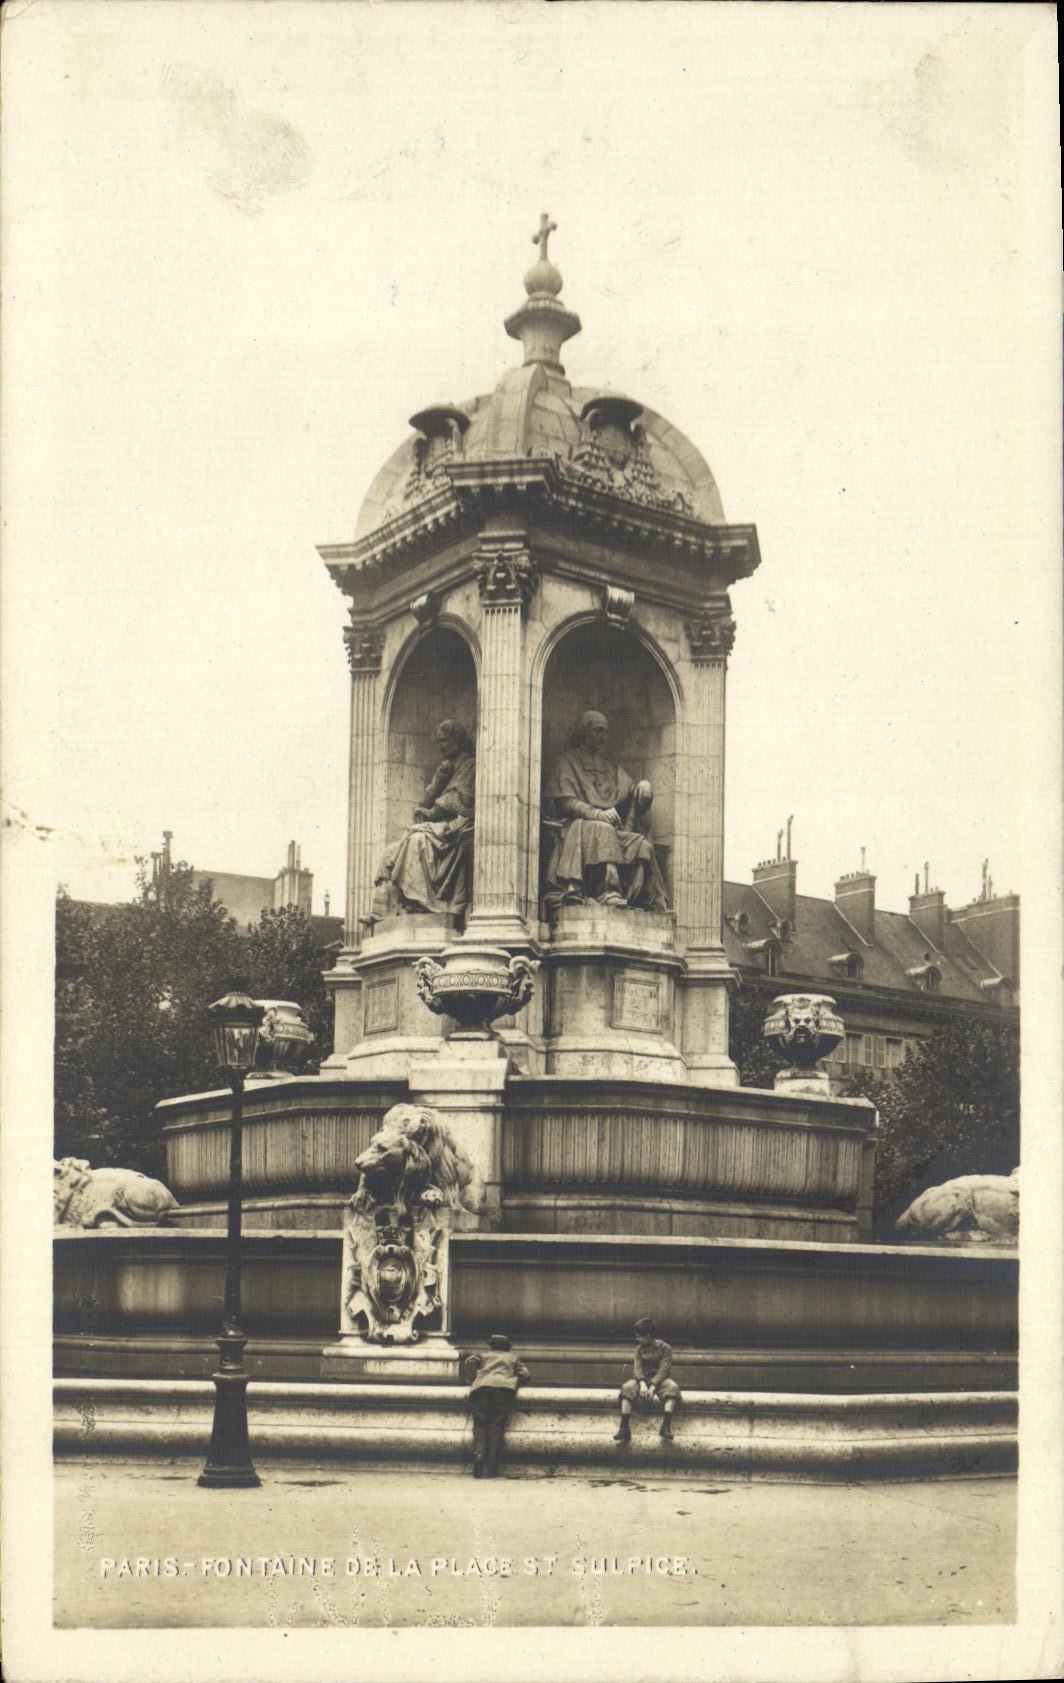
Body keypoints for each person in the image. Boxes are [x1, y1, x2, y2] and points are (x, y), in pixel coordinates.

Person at [544, 710, 667, 910]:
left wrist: (644, 787)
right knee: (604, 829)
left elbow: (632, 790)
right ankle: (608, 891)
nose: (604, 737)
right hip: (577, 829)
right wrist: (597, 814)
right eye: (599, 731)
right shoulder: (566, 763)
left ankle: (650, 903)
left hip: (608, 829)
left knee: (643, 845)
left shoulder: (610, 768)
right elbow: (564, 803)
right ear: (584, 733)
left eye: (606, 732)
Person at [370, 721, 475, 920]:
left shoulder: (469, 765)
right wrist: (438, 782)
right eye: (439, 742)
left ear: (457, 740)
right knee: (391, 851)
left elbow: (457, 801)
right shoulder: (445, 768)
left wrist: (431, 811)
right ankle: (382, 907)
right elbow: (424, 802)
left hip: (456, 826)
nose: (441, 746)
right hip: (438, 827)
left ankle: (420, 902)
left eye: (445, 741)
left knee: (416, 840)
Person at [464, 1332, 529, 1478]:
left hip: (481, 1389)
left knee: (480, 1424)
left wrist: (473, 1378)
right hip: (503, 1391)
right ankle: (492, 1466)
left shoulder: (482, 1355)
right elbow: (525, 1374)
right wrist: (514, 1383)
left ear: (491, 1346)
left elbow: (469, 1362)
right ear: (507, 1347)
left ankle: (479, 1455)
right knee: (496, 1426)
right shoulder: (513, 1358)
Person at [614, 1317, 682, 1443]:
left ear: (649, 1336)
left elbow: (664, 1369)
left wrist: (652, 1386)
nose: (637, 1339)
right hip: (642, 1380)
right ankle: (624, 1427)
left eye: (639, 1336)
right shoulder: (639, 1349)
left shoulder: (665, 1348)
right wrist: (642, 1383)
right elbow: (637, 1368)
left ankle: (666, 1425)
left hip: (660, 1381)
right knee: (627, 1388)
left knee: (673, 1388)